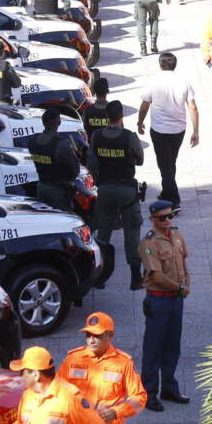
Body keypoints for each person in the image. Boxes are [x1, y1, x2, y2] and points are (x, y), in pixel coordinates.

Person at [139, 200, 191, 411]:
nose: (168, 220)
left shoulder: (176, 235)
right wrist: (179, 288)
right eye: (162, 218)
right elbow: (157, 276)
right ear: (152, 219)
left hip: (175, 299)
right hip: (159, 299)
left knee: (172, 345)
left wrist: (187, 281)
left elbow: (183, 260)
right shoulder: (149, 243)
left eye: (170, 216)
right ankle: (149, 393)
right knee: (153, 348)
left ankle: (169, 387)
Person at [88, 100, 145, 290]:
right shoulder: (129, 137)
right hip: (126, 191)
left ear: (107, 117)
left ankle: (99, 277)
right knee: (132, 232)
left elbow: (92, 164)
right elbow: (140, 161)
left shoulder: (96, 136)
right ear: (121, 117)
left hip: (104, 190)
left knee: (103, 233)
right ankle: (136, 278)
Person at [137, 53, 198, 207]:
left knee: (165, 166)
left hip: (159, 130)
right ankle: (166, 193)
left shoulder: (153, 82)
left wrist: (140, 122)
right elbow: (192, 107)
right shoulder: (184, 82)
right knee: (170, 163)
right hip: (178, 130)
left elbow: (144, 106)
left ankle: (173, 200)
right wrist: (195, 131)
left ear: (160, 65)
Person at [27, 108, 81, 213]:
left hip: (41, 187)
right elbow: (75, 170)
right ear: (58, 123)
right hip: (59, 191)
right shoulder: (61, 144)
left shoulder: (33, 141)